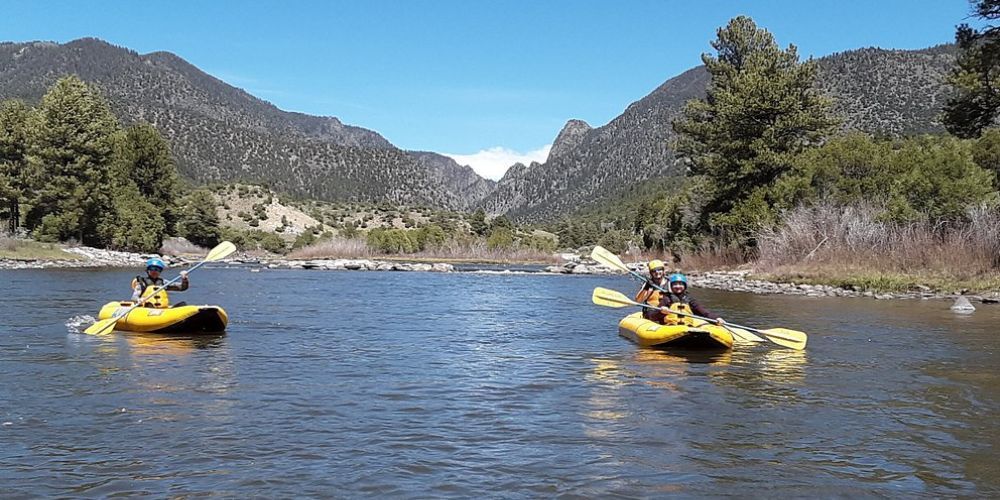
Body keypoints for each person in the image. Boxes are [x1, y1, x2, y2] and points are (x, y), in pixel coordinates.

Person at [647, 273, 725, 326]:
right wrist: (661, 312)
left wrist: (716, 318)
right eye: (675, 284)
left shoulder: (689, 299)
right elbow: (652, 316)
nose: (678, 286)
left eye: (680, 284)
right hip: (669, 327)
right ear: (671, 286)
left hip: (687, 327)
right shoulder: (667, 298)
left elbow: (704, 312)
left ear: (684, 286)